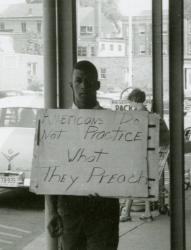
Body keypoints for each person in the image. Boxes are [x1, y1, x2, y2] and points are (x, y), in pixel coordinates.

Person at [47, 60, 120, 250]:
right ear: (71, 85)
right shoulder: (57, 125)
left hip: (103, 210)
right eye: (78, 81)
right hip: (70, 211)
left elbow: (126, 166)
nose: (84, 86)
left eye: (89, 81)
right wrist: (52, 211)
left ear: (98, 85)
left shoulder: (116, 125)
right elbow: (49, 170)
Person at [120, 88, 169, 222]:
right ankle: (137, 211)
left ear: (135, 100)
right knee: (142, 182)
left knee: (134, 181)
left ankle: (127, 212)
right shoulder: (150, 114)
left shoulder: (139, 116)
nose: (130, 104)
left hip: (139, 153)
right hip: (148, 153)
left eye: (130, 101)